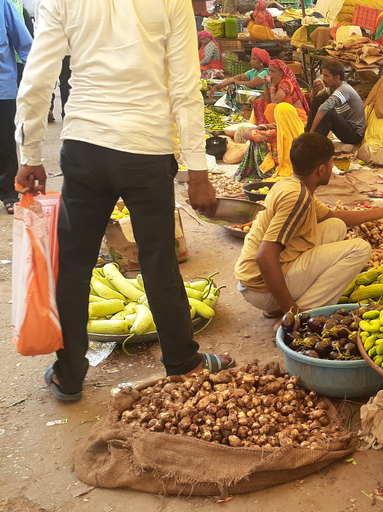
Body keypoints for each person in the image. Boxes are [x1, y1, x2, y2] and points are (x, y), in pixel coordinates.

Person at [15, 0, 233, 402]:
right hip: (147, 151)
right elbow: (186, 87)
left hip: (85, 148)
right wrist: (198, 170)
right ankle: (183, 363)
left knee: (75, 266)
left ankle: (69, 373)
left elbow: (38, 76)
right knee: (159, 260)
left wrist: (29, 154)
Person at [235, 132, 383, 318]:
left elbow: (334, 216)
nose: (332, 168)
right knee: (360, 248)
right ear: (321, 170)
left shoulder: (291, 185)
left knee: (335, 225)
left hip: (257, 281)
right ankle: (303, 313)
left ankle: (280, 306)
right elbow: (264, 257)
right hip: (259, 288)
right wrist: (291, 311)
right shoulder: (296, 198)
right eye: (331, 164)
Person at [0, 0, 31, 215]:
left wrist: (34, 82)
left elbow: (25, 44)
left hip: (2, 88)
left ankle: (8, 192)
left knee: (4, 143)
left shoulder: (4, 5)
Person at [306, 59, 366, 145]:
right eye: (323, 75)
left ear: (337, 78)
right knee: (318, 101)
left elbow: (323, 109)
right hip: (345, 128)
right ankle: (308, 138)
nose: (323, 79)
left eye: (327, 76)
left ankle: (315, 142)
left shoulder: (344, 89)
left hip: (354, 134)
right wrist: (313, 93)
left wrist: (312, 131)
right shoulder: (331, 89)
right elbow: (315, 102)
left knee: (328, 112)